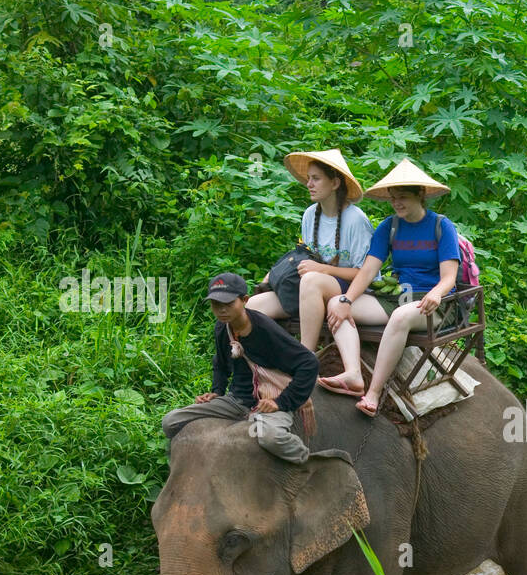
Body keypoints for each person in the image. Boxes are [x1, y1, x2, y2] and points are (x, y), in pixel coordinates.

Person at [321, 159, 460, 417]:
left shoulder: (441, 226)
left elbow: (449, 277)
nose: (396, 203)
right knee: (336, 303)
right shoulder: (390, 226)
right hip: (397, 295)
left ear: (420, 195)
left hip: (433, 302)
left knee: (400, 316)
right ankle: (353, 374)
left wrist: (436, 293)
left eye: (403, 197)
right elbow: (369, 270)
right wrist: (347, 301)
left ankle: (373, 394)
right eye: (393, 198)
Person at [162, 273, 318, 464]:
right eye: (216, 304)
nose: (222, 310)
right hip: (237, 400)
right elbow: (219, 362)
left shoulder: (265, 329)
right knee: (171, 421)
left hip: (268, 398)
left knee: (271, 438)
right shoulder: (222, 328)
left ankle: (307, 463)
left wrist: (281, 402)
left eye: (228, 303)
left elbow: (309, 363)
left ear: (244, 300)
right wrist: (216, 391)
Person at [248, 150, 376, 355]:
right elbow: (304, 257)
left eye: (316, 179)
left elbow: (365, 274)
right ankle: (272, 360)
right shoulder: (310, 214)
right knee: (254, 306)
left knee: (312, 280)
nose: (309, 184)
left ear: (335, 183)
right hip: (310, 291)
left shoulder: (356, 220)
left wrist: (322, 270)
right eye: (308, 179)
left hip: (349, 291)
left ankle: (305, 358)